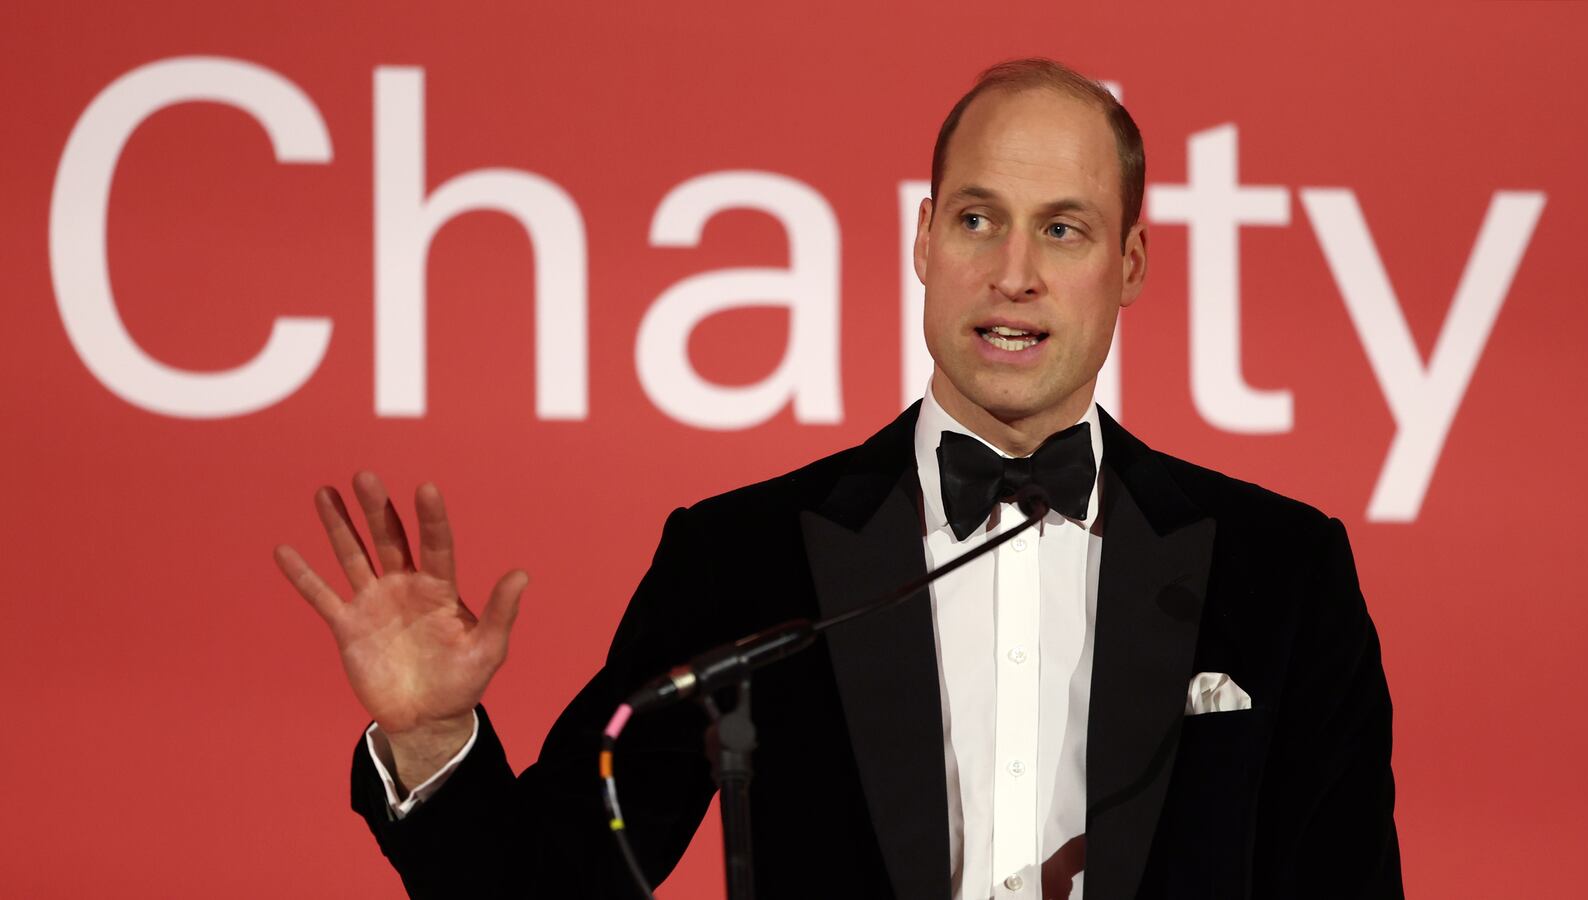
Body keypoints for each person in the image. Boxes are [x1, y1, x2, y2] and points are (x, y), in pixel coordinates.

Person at [276, 58, 1402, 899]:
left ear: (1130, 265)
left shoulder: (1281, 569)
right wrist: (433, 737)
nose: (1012, 275)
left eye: (1063, 230)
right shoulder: (741, 557)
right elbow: (556, 888)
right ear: (922, 242)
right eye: (977, 220)